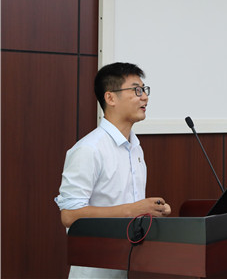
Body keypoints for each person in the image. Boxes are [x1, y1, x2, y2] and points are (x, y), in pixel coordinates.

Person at [55, 62, 171, 278]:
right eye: (136, 90)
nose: (145, 97)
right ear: (110, 98)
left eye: (144, 90)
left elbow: (130, 205)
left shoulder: (135, 147)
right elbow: (69, 215)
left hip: (130, 266)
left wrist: (152, 211)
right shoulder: (89, 149)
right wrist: (132, 210)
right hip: (96, 269)